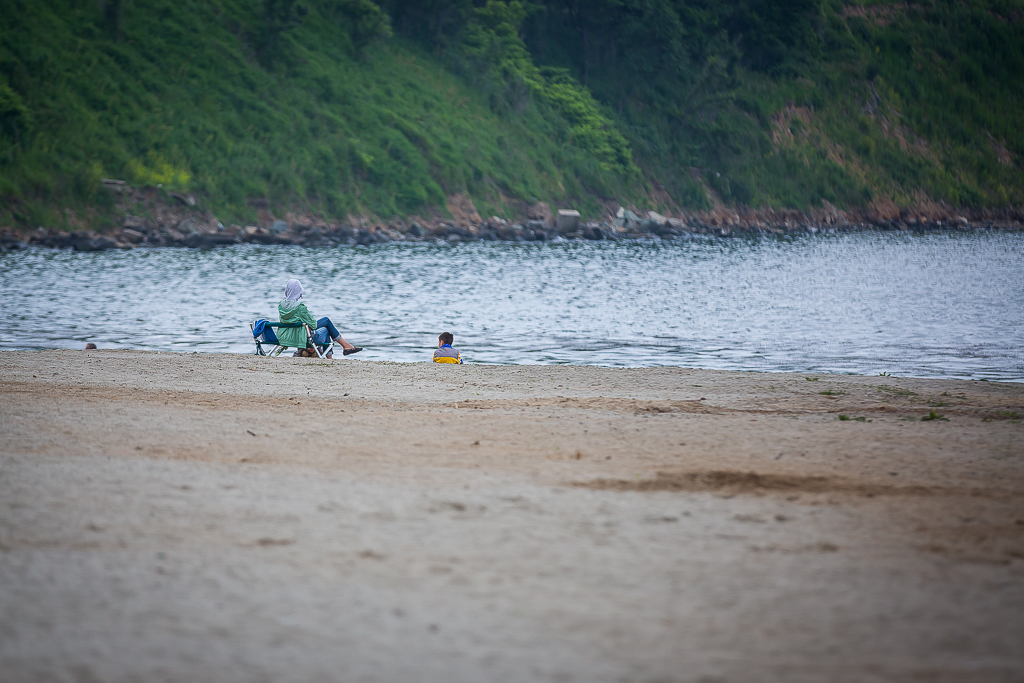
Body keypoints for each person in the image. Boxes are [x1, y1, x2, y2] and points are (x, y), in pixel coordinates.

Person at [278, 279, 362, 358]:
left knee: (326, 323)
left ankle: (345, 347)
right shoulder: (300, 308)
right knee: (326, 325)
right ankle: (341, 350)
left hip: (286, 336)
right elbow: (313, 325)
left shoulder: (281, 306)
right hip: (301, 337)